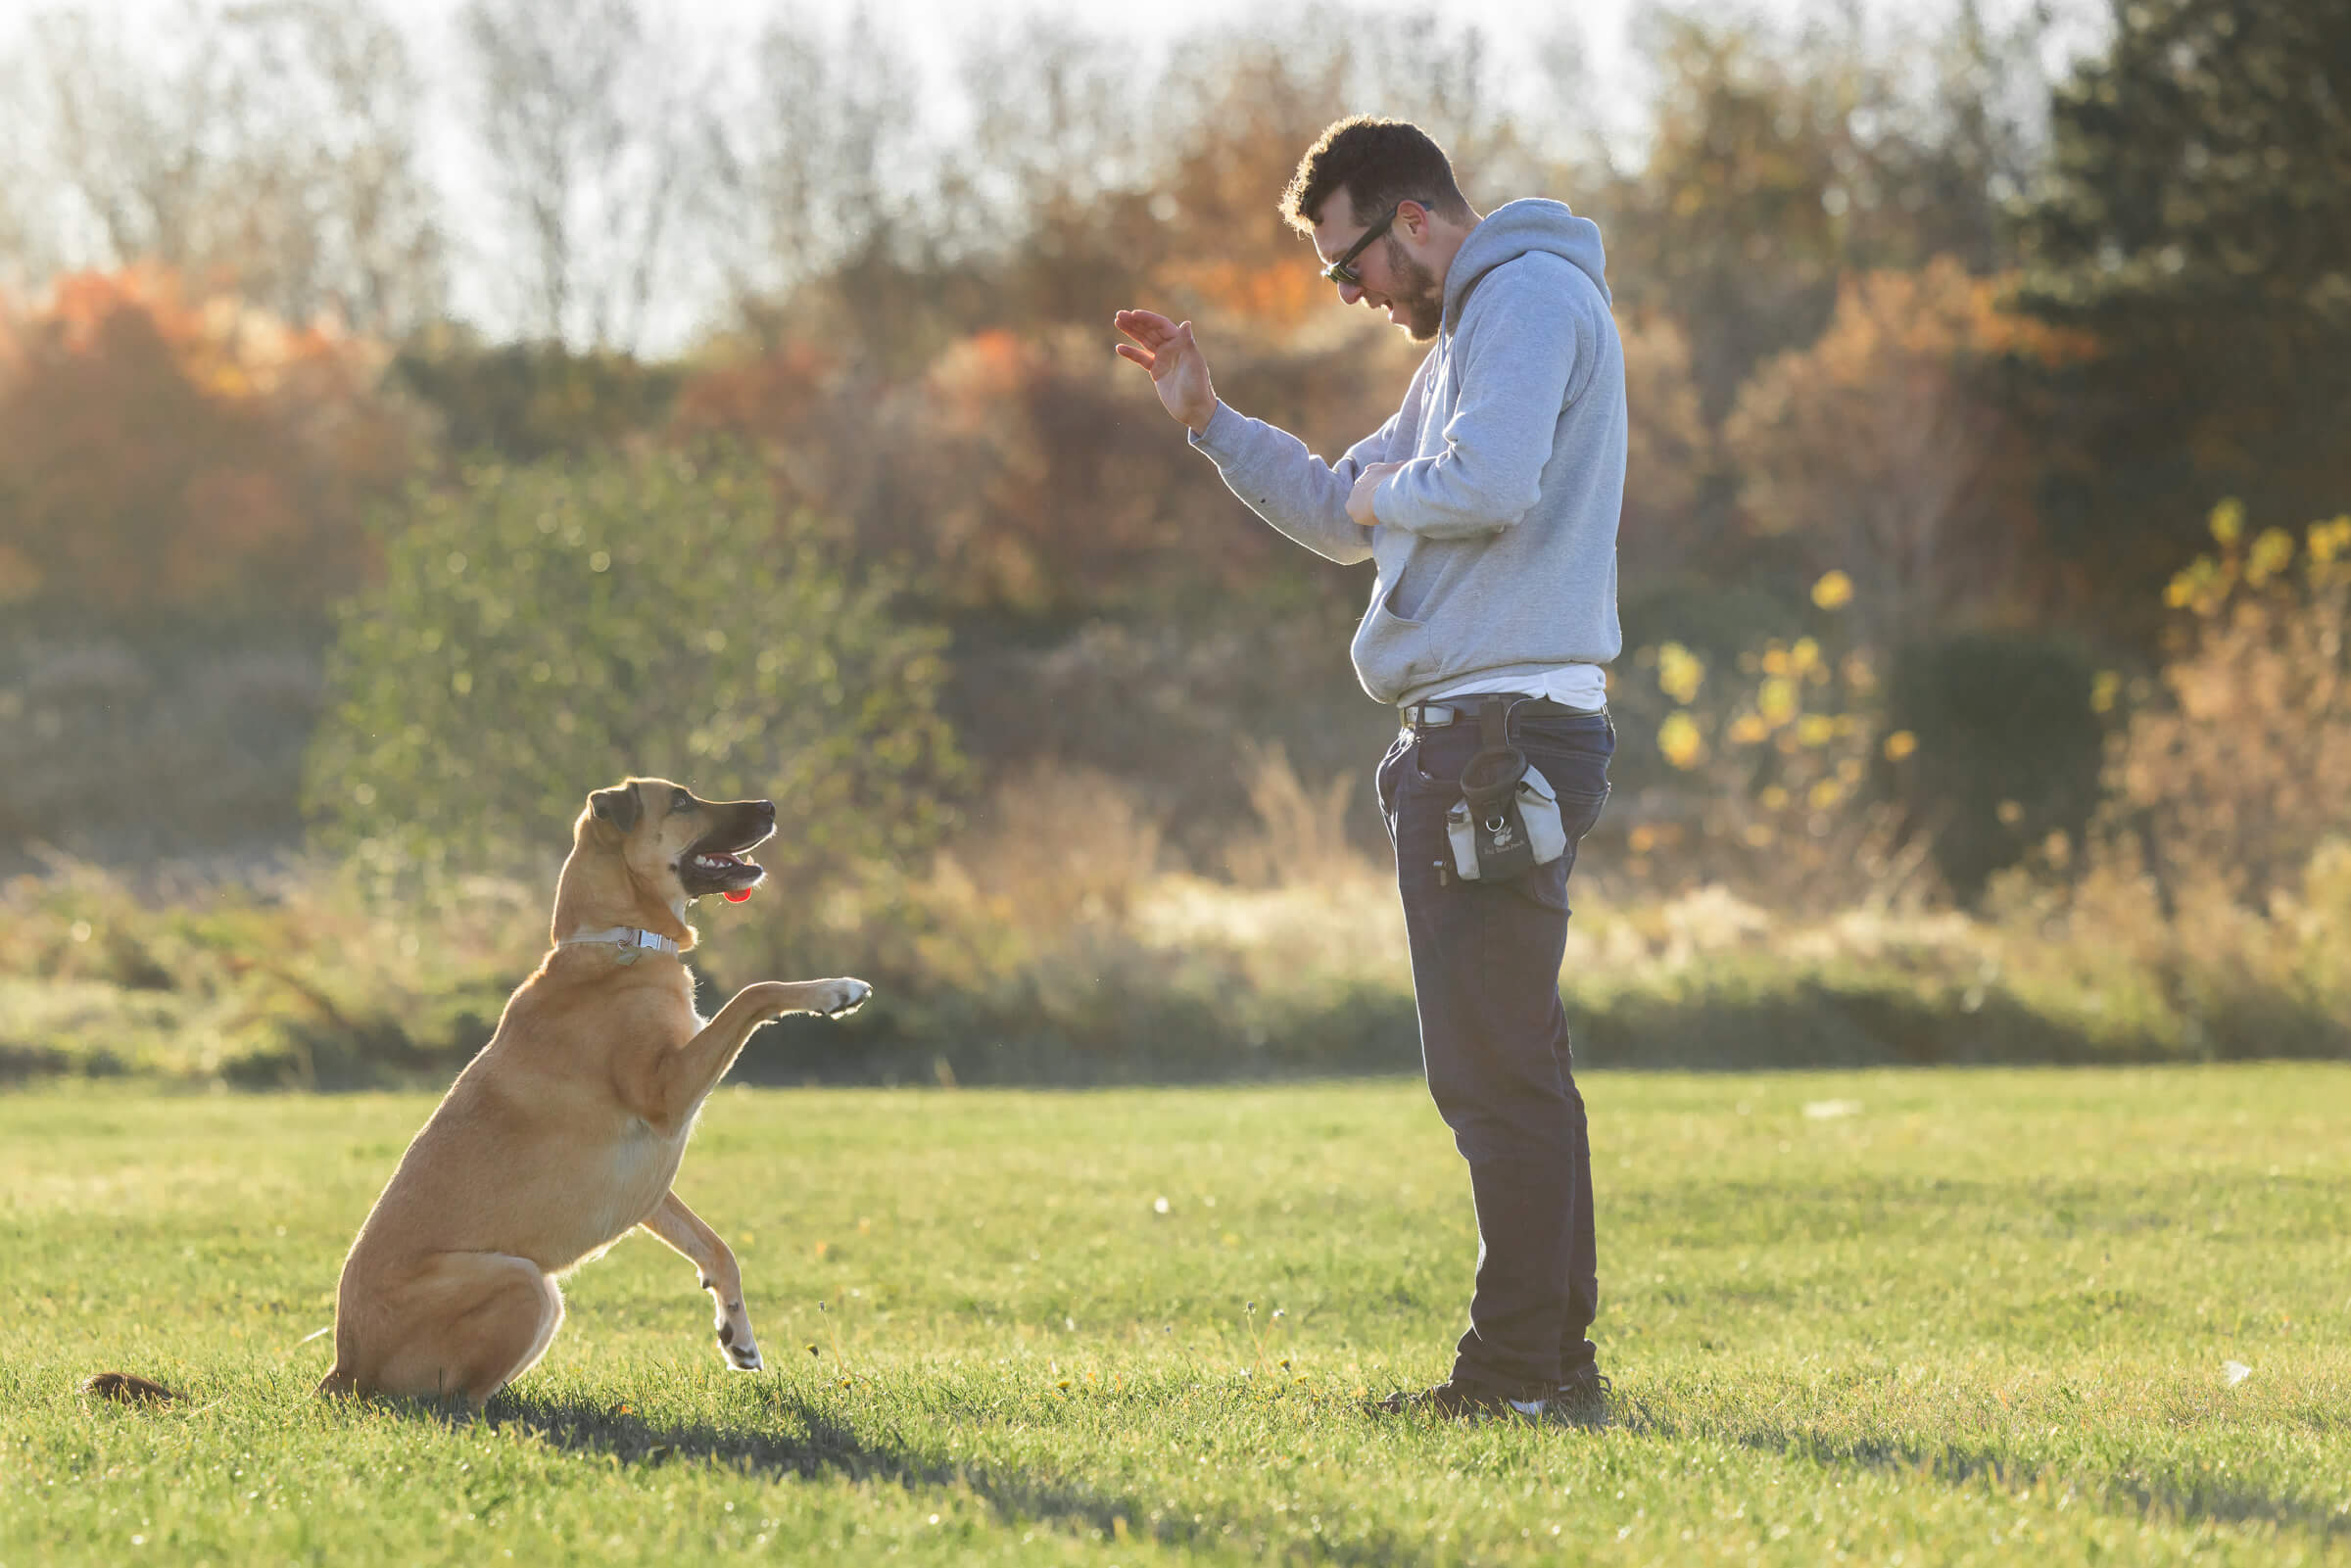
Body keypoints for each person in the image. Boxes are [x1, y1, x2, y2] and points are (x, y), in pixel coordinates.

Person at [1114, 116, 1625, 1421]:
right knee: (1518, 1067)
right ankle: (1555, 1367)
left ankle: (1514, 1375)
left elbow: (1482, 482)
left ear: (1413, 222)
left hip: (1498, 736)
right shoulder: (1467, 338)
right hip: (1481, 735)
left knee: (1491, 1074)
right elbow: (1346, 500)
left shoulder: (1522, 301)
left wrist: (1374, 502)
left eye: (1350, 268)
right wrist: (1212, 424)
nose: (1351, 296)